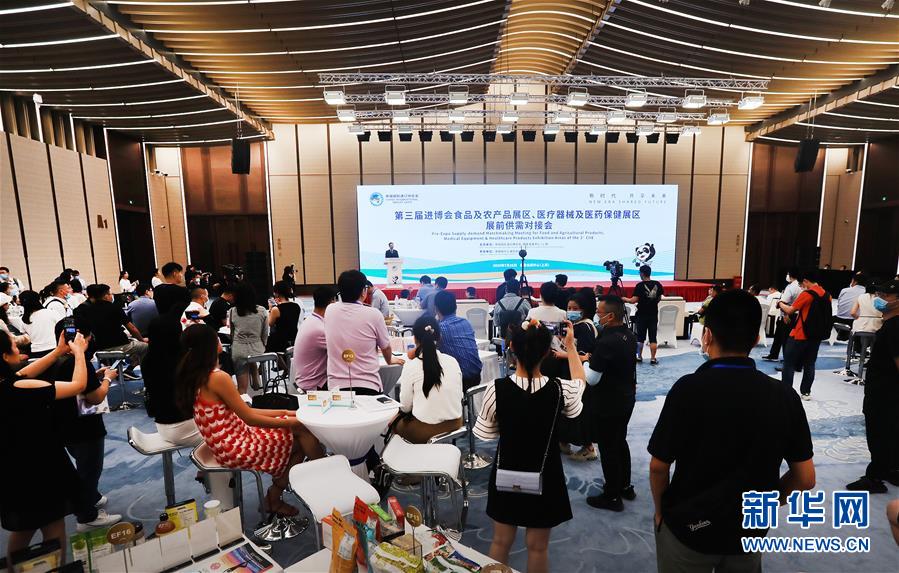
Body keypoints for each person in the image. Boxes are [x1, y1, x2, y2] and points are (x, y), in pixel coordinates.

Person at [649, 290, 816, 572]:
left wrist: (659, 511)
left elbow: (658, 467)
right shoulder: (784, 395)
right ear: (756, 339)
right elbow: (806, 478)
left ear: (707, 336)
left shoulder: (687, 389)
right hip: (749, 531)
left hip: (690, 527)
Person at [474, 319, 586, 573]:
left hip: (506, 472)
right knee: (538, 548)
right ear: (547, 352)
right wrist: (570, 346)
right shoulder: (560, 389)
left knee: (500, 541)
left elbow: (487, 434)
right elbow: (581, 382)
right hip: (547, 474)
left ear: (512, 347)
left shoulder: (495, 389)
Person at [177, 324, 324, 516]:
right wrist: (292, 420)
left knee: (301, 438)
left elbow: (245, 412)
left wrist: (285, 413)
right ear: (210, 345)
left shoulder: (196, 376)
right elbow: (249, 417)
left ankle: (275, 497)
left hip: (227, 443)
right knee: (303, 432)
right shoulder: (217, 378)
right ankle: (324, 479)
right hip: (236, 446)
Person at [0, 329, 89, 561]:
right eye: (14, 345)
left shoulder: (6, 383)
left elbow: (23, 373)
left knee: (24, 526)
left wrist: (58, 351)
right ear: (4, 356)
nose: (19, 348)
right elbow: (78, 385)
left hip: (11, 464)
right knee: (53, 522)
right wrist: (79, 352)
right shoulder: (19, 388)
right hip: (39, 462)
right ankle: (56, 566)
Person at [46, 319, 121, 531]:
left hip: (64, 424)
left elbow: (73, 385)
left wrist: (94, 377)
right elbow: (95, 397)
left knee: (83, 463)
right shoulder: (79, 362)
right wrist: (107, 379)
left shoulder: (54, 360)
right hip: (85, 426)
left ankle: (92, 497)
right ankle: (87, 516)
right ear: (83, 338)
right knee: (90, 470)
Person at [579, 295, 637, 511]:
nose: (596, 315)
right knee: (620, 442)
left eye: (599, 312)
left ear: (610, 316)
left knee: (608, 447)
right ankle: (625, 486)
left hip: (608, 402)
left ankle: (612, 496)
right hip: (626, 397)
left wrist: (583, 362)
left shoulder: (606, 342)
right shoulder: (629, 335)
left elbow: (592, 378)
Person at [846, 280, 899, 493]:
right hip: (885, 389)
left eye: (886, 295)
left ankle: (875, 476)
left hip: (885, 391)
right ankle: (892, 469)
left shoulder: (895, 327)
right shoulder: (890, 324)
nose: (880, 299)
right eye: (879, 294)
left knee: (879, 432)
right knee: (891, 430)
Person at [326, 271, 404, 393]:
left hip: (336, 387)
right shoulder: (373, 314)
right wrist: (389, 360)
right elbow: (386, 347)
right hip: (368, 385)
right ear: (363, 291)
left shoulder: (330, 310)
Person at [393, 316, 464, 443]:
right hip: (455, 424)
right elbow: (460, 395)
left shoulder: (411, 365)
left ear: (415, 339)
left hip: (425, 430)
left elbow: (405, 407)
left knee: (392, 422)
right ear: (439, 337)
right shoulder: (452, 361)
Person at [556, 292, 598, 460]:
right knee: (568, 410)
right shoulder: (576, 326)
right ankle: (564, 441)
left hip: (577, 375)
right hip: (570, 373)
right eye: (569, 308)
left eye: (575, 308)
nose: (571, 311)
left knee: (579, 412)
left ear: (584, 310)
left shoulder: (584, 327)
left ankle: (588, 447)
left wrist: (561, 354)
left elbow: (585, 356)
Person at [778, 270, 831, 399]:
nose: (801, 286)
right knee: (810, 364)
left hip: (800, 334)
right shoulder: (827, 295)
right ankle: (806, 392)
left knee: (789, 364)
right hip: (817, 335)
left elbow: (790, 310)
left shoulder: (807, 294)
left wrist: (780, 303)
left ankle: (786, 392)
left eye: (802, 284)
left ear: (806, 281)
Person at [434, 290, 482, 391]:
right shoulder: (465, 322)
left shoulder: (440, 328)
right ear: (455, 307)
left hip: (459, 379)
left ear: (436, 308)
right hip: (477, 375)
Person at [292, 286, 336, 392]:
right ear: (331, 302)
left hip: (307, 380)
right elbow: (342, 350)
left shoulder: (311, 320)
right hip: (314, 385)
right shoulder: (319, 329)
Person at [229, 281, 269, 394]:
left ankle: (243, 401)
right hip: (257, 349)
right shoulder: (262, 310)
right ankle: (255, 373)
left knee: (242, 388)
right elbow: (265, 333)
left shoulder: (233, 311)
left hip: (239, 349)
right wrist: (262, 345)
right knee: (252, 357)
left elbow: (232, 334)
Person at [625, 265, 664, 364]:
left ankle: (639, 356)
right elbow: (659, 298)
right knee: (653, 338)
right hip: (653, 314)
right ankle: (653, 358)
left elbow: (633, 300)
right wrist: (652, 303)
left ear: (642, 273)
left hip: (641, 315)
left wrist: (623, 299)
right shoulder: (657, 284)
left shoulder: (639, 286)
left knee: (640, 338)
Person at [763, 268, 802, 362]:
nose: (787, 276)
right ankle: (774, 354)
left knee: (785, 337)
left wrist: (785, 314)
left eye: (788, 274)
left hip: (787, 314)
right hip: (794, 313)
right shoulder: (799, 285)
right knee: (779, 335)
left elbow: (785, 301)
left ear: (791, 276)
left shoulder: (791, 287)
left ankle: (787, 359)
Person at [14, 290, 59, 358]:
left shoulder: (24, 319)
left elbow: (25, 335)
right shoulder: (52, 313)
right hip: (54, 349)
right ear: (39, 299)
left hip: (36, 352)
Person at [267, 280, 301, 354]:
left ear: (276, 293)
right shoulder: (296, 306)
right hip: (294, 338)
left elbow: (270, 323)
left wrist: (270, 309)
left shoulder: (276, 309)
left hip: (280, 342)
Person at [834, 273, 866, 340]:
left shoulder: (844, 290)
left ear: (855, 281)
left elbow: (839, 304)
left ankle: (843, 335)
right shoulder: (866, 293)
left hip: (839, 319)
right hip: (853, 322)